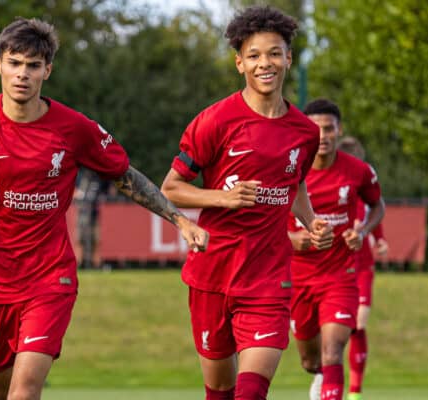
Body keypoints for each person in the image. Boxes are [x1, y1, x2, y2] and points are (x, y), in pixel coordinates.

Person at [0, 17, 209, 400]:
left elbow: (124, 175)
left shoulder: (74, 128)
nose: (22, 75)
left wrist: (179, 220)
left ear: (48, 70)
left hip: (49, 278)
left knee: (25, 390)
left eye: (33, 66)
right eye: (14, 63)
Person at [160, 6, 334, 400]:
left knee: (251, 391)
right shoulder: (215, 121)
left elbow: (296, 183)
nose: (265, 63)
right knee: (220, 389)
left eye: (274, 53)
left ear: (289, 58)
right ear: (240, 63)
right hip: (213, 274)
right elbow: (171, 188)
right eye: (253, 56)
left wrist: (311, 221)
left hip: (269, 276)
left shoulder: (305, 133)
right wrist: (223, 197)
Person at [287, 99, 385, 400]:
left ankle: (336, 388)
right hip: (297, 279)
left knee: (333, 352)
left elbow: (376, 205)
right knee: (311, 361)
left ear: (339, 130)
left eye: (329, 129)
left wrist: (363, 230)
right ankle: (320, 380)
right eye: (316, 129)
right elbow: (263, 215)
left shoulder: (358, 171)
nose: (323, 136)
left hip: (340, 277)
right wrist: (291, 239)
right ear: (305, 132)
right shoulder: (288, 172)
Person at [338, 136, 388, 400]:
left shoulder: (364, 188)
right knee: (331, 332)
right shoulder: (335, 188)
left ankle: (355, 392)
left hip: (363, 266)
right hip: (335, 267)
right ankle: (326, 379)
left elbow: (374, 211)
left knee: (358, 323)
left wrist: (379, 239)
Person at [73, 168, 110, 269]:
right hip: (81, 212)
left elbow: (107, 192)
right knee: (79, 239)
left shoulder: (100, 178)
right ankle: (78, 263)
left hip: (95, 213)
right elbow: (74, 191)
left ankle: (96, 264)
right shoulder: (79, 176)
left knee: (96, 240)